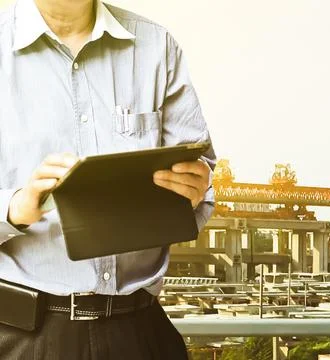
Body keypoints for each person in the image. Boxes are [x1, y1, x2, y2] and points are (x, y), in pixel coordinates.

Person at [0, 0, 215, 358]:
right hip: (24, 337)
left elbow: (201, 180)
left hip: (141, 332)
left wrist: (193, 190)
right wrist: (14, 207)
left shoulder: (156, 46)